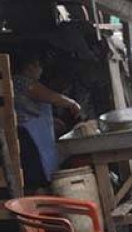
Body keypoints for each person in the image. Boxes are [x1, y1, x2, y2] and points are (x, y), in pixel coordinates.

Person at [12, 49, 82, 190]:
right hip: (26, 135)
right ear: (30, 67)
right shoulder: (23, 81)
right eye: (39, 66)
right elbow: (51, 97)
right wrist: (72, 103)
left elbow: (31, 109)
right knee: (35, 171)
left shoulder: (17, 81)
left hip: (30, 131)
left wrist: (52, 121)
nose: (41, 70)